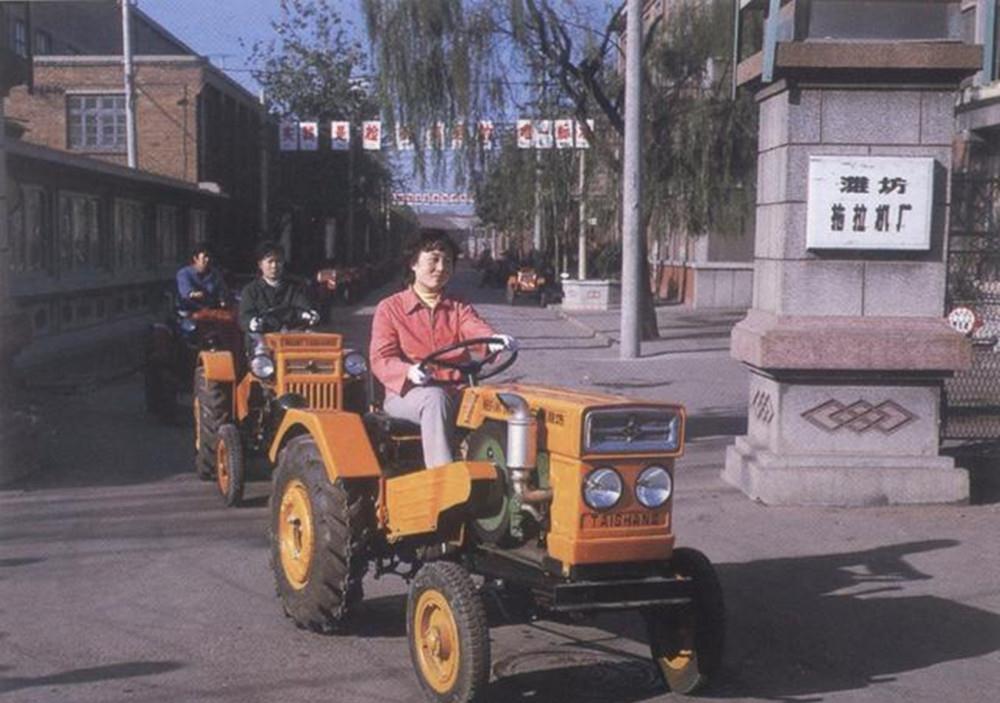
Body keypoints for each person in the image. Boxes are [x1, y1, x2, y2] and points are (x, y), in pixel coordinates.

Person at [370, 229, 518, 468]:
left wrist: (493, 340)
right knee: (434, 398)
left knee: (507, 402)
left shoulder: (458, 306)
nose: (441, 268)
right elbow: (381, 359)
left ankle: (509, 475)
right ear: (413, 264)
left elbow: (475, 328)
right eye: (434, 260)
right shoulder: (390, 308)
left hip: (457, 391)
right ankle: (443, 482)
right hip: (408, 394)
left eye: (447, 261)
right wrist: (408, 371)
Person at [238, 241, 317, 336]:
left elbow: (304, 308)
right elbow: (244, 317)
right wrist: (252, 323)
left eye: (278, 261)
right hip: (261, 338)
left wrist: (310, 315)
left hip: (290, 336)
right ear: (260, 265)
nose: (274, 266)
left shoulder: (294, 288)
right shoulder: (250, 290)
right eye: (270, 261)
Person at [176, 243, 227, 310]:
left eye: (209, 257)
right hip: (191, 312)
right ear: (195, 258)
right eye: (205, 257)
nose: (207, 259)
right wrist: (195, 294)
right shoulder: (184, 273)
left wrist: (223, 300)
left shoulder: (215, 274)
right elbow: (186, 293)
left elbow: (222, 291)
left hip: (212, 311)